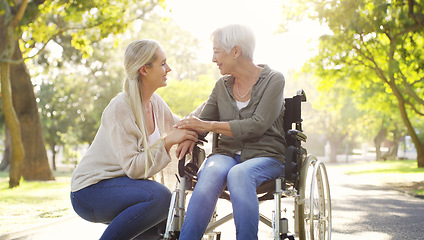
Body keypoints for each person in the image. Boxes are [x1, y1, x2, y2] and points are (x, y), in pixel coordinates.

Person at [70, 39, 200, 240]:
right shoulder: (120, 108)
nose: (169, 69)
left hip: (123, 188)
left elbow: (181, 125)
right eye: (163, 63)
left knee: (163, 223)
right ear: (144, 70)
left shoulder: (154, 102)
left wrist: (212, 106)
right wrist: (167, 142)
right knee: (160, 197)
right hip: (90, 191)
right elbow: (133, 167)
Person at [175, 24, 287, 240]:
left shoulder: (274, 80)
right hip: (226, 155)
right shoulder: (221, 86)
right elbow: (201, 122)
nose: (213, 59)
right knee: (209, 172)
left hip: (266, 156)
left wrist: (208, 127)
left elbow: (257, 125)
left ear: (236, 51)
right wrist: (190, 136)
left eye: (216, 51)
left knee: (240, 173)